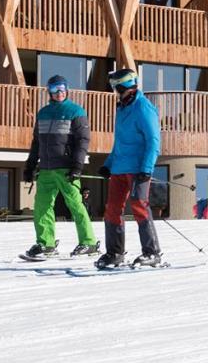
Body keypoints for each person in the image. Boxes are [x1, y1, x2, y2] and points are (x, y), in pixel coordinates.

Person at [22, 75, 99, 260]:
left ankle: (88, 242)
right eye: (55, 89)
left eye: (62, 88)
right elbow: (36, 143)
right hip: (46, 168)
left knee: (75, 205)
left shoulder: (76, 111)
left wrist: (77, 166)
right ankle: (46, 244)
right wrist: (30, 165)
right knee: (42, 207)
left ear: (67, 90)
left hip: (66, 169)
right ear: (49, 91)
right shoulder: (43, 113)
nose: (59, 93)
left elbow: (83, 141)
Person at [97, 68, 163, 269]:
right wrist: (108, 165)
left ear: (124, 85)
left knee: (139, 207)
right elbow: (120, 143)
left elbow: (153, 141)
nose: (115, 91)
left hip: (137, 169)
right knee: (112, 210)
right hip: (119, 169)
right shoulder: (122, 108)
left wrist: (146, 168)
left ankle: (152, 253)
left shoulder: (143, 108)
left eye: (116, 86)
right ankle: (115, 253)